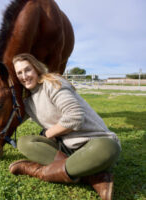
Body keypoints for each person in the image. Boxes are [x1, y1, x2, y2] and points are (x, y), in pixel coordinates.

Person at [9, 53, 121, 200]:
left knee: (109, 147)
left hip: (94, 143)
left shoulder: (53, 83)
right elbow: (11, 119)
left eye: (27, 69)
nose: (24, 76)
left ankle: (38, 172)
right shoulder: (28, 102)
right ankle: (91, 177)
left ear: (36, 68)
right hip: (66, 148)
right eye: (19, 73)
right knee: (24, 142)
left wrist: (48, 133)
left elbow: (75, 117)